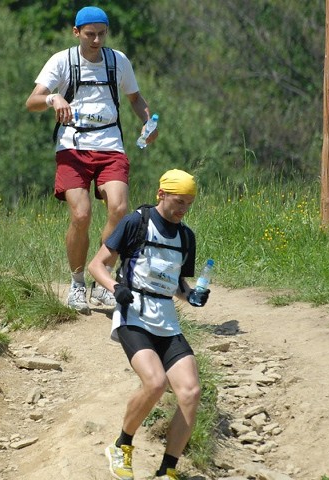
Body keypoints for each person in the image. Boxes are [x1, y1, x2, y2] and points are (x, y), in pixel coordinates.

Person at [25, 6, 157, 315]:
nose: (96, 40)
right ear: (76, 33)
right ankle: (76, 282)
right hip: (72, 146)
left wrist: (149, 123)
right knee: (81, 215)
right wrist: (53, 98)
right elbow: (31, 101)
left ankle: (102, 279)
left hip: (110, 144)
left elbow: (136, 99)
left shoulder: (118, 61)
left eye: (101, 34)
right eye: (90, 34)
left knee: (120, 208)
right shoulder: (62, 61)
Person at [88, 169, 210, 480]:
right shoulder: (135, 223)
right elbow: (96, 265)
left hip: (167, 321)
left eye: (188, 204)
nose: (182, 209)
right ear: (161, 194)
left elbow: (176, 284)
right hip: (134, 316)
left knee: (190, 391)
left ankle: (167, 470)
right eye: (178, 201)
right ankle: (122, 446)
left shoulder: (186, 237)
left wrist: (192, 296)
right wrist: (116, 288)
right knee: (155, 383)